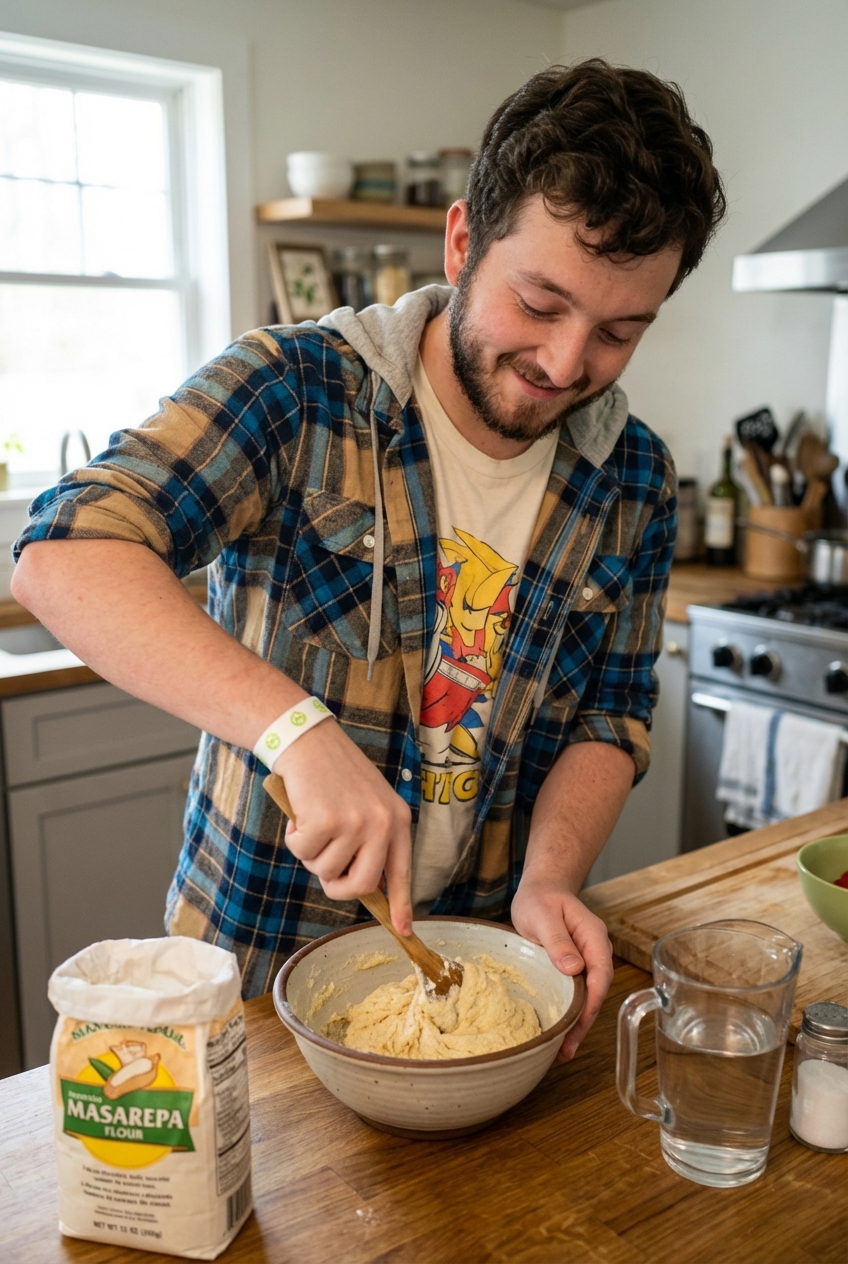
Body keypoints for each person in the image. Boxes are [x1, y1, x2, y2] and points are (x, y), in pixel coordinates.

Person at [11, 59, 725, 1060]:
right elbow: (62, 553)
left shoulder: (632, 477)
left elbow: (609, 715)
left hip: (478, 977)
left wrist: (551, 878)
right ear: (463, 240)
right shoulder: (297, 390)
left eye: (615, 332)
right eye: (539, 303)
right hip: (253, 980)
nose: (566, 365)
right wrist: (294, 729)